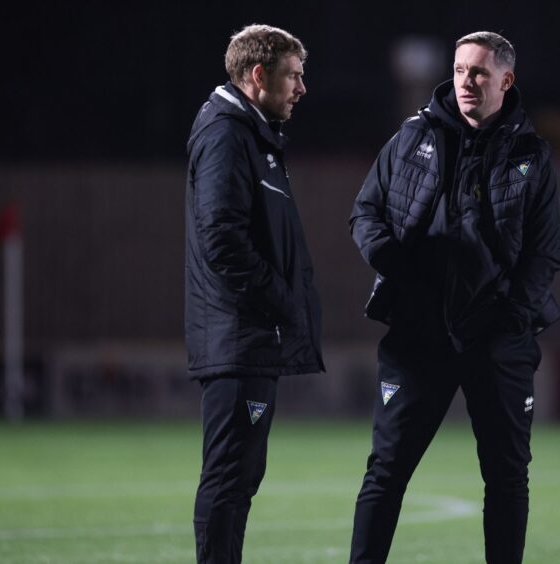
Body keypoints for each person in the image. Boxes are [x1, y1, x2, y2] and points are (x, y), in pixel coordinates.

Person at [348, 31, 560, 563]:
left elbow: (546, 253)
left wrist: (513, 317)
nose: (466, 81)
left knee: (508, 476)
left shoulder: (531, 154)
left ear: (506, 81)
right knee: (387, 470)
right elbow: (365, 213)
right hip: (420, 335)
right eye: (461, 69)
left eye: (480, 72)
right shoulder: (412, 136)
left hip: (498, 340)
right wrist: (396, 268)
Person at [184, 24, 323, 564]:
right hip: (237, 335)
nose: (301, 88)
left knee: (240, 477)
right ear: (258, 75)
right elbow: (222, 239)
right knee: (228, 477)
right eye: (293, 75)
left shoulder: (249, 132)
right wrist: (282, 302)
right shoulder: (226, 133)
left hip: (248, 335)